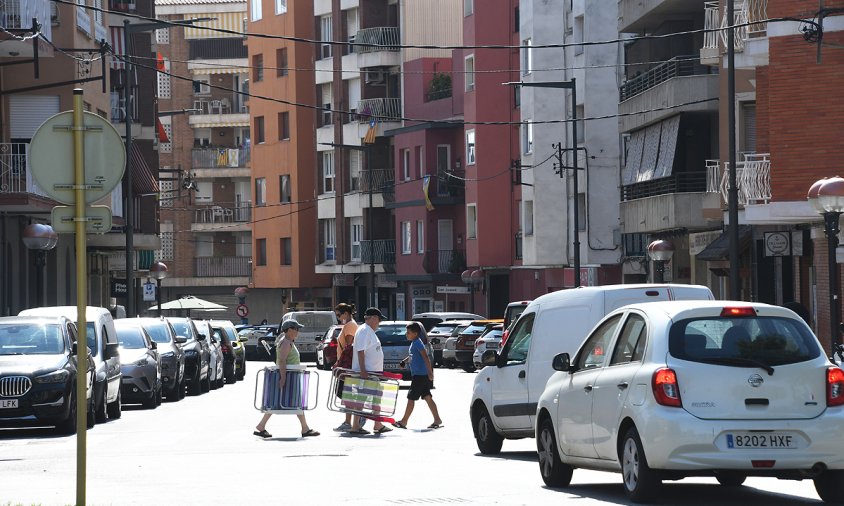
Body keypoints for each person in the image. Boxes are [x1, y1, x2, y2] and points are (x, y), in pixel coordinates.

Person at [254, 319, 320, 439]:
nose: (298, 331)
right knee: (292, 402)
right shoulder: (286, 342)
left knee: (282, 402)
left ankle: (262, 425)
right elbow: (282, 360)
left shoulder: (287, 341)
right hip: (289, 376)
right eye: (296, 329)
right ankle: (305, 428)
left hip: (291, 376)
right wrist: (283, 378)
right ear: (289, 330)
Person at [348, 307, 392, 435]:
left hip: (373, 373)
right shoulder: (364, 331)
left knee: (375, 399)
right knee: (361, 399)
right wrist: (363, 371)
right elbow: (360, 351)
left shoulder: (368, 331)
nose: (379, 323)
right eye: (378, 320)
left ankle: (377, 424)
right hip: (367, 373)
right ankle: (355, 426)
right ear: (372, 318)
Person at [393, 322, 443, 430]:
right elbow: (412, 356)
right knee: (427, 397)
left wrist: (430, 373)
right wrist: (404, 361)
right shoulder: (414, 343)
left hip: (420, 376)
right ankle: (437, 419)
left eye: (409, 332)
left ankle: (403, 421)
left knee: (411, 398)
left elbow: (426, 358)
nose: (406, 334)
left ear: (415, 333)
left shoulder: (418, 343)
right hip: (419, 375)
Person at [333, 303, 357, 431]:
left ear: (346, 314)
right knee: (346, 394)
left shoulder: (349, 326)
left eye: (339, 314)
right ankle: (350, 420)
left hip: (346, 365)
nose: (338, 317)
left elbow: (349, 347)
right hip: (346, 364)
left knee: (346, 393)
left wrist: (339, 363)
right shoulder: (348, 325)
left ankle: (352, 419)